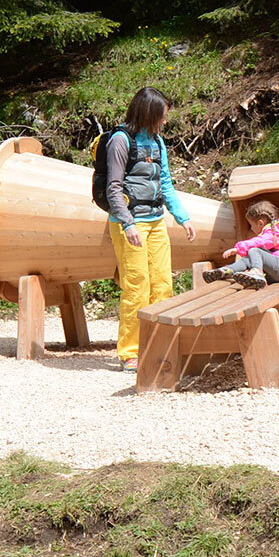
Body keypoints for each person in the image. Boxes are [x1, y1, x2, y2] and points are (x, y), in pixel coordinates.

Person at [101, 86, 196, 372]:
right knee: (137, 286)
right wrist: (127, 222)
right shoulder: (120, 141)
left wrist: (182, 217)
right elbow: (113, 188)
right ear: (149, 113)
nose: (165, 121)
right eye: (162, 116)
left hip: (156, 221)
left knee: (162, 284)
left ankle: (160, 343)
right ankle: (130, 352)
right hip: (130, 223)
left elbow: (165, 182)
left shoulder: (157, 143)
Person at [201, 199, 279, 289]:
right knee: (249, 258)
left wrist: (238, 248)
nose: (251, 229)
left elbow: (260, 241)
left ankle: (257, 273)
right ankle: (227, 271)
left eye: (251, 225)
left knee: (254, 250)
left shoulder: (275, 230)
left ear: (260, 223)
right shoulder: (273, 229)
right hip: (276, 273)